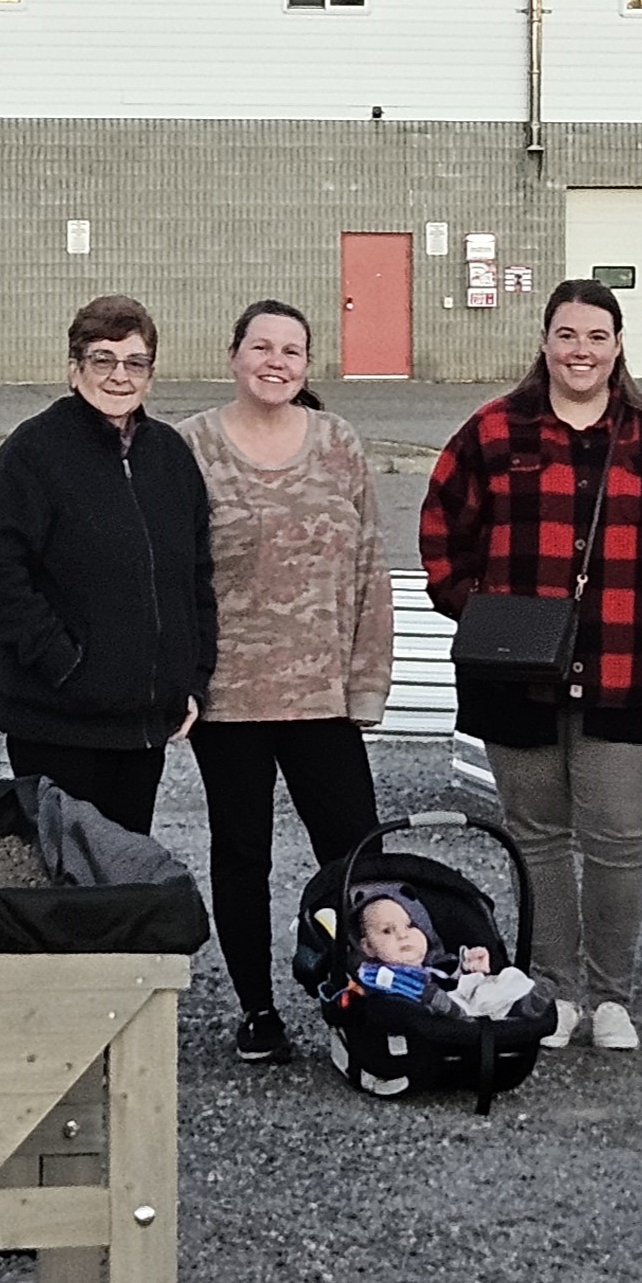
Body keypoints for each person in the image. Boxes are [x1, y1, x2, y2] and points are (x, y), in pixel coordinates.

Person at [420, 281, 642, 1052]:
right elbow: (443, 532)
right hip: (512, 675)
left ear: (618, 345)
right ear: (545, 341)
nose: (580, 350)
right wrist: (481, 618)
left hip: (626, 671)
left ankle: (611, 997)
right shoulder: (492, 431)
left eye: (596, 336)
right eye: (566, 334)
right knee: (537, 835)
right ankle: (553, 991)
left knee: (617, 837)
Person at [179, 300, 392, 1064]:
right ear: (233, 355)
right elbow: (171, 577)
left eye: (291, 350)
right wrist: (179, 682)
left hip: (322, 696)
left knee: (355, 852)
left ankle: (362, 993)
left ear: (307, 364)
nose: (276, 361)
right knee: (243, 853)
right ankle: (257, 1009)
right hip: (229, 697)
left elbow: (369, 567)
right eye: (261, 347)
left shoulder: (338, 444)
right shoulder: (191, 447)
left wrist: (367, 683)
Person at [0, 294, 213, 835]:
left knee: (126, 865)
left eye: (135, 363)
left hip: (142, 727)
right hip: (58, 723)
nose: (119, 376)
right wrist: (64, 664)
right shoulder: (33, 453)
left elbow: (196, 577)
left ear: (150, 374)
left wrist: (192, 678)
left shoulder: (170, 457)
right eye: (103, 359)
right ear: (75, 368)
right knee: (66, 869)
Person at [352, 892, 536, 1024]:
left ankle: (530, 1002)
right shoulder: (382, 978)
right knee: (493, 993)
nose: (402, 935)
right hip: (452, 1017)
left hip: (460, 1006)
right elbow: (426, 996)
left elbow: (445, 982)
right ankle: (526, 1007)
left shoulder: (430, 967)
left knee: (506, 978)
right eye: (387, 931)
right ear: (368, 947)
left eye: (410, 925)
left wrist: (468, 970)